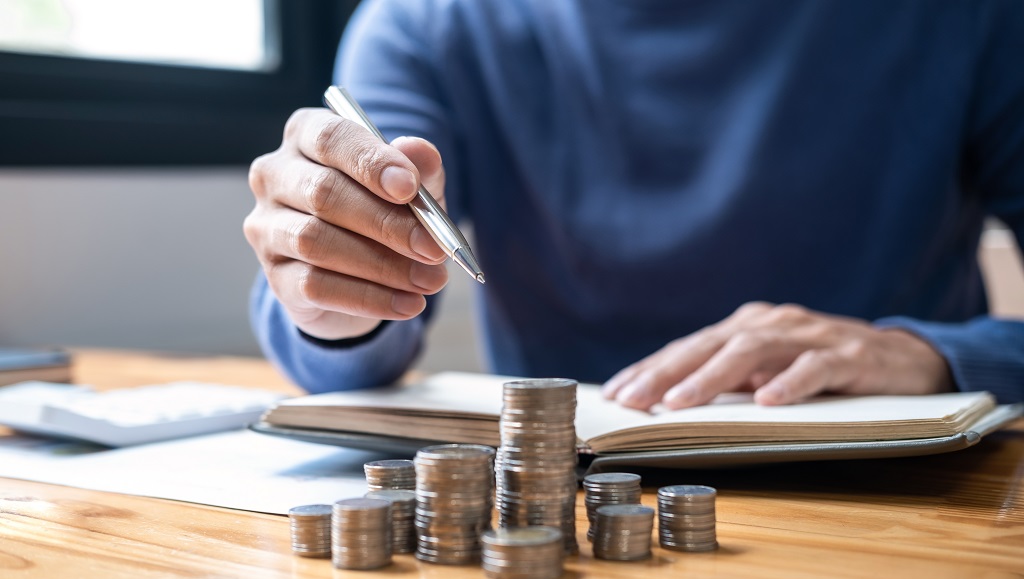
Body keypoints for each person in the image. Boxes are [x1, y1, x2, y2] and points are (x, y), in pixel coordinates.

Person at [244, 0, 1024, 408]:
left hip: (913, 511)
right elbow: (332, 344)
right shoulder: (425, 24)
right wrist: (338, 301)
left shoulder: (973, 13)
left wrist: (936, 356)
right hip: (570, 522)